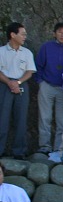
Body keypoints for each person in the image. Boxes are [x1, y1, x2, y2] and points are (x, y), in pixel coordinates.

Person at [35, 23, 63, 154]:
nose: (62, 34)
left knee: (62, 120)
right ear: (54, 33)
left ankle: (58, 147)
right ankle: (44, 146)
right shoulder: (46, 47)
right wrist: (40, 82)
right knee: (45, 117)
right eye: (59, 32)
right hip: (47, 85)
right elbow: (38, 65)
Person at [0, 23, 36, 159]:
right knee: (2, 119)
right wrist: (9, 82)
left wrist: (18, 82)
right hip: (4, 85)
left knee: (21, 119)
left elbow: (30, 71)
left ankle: (19, 151)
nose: (25, 37)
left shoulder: (27, 53)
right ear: (12, 35)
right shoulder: (1, 51)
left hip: (22, 85)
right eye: (22, 34)